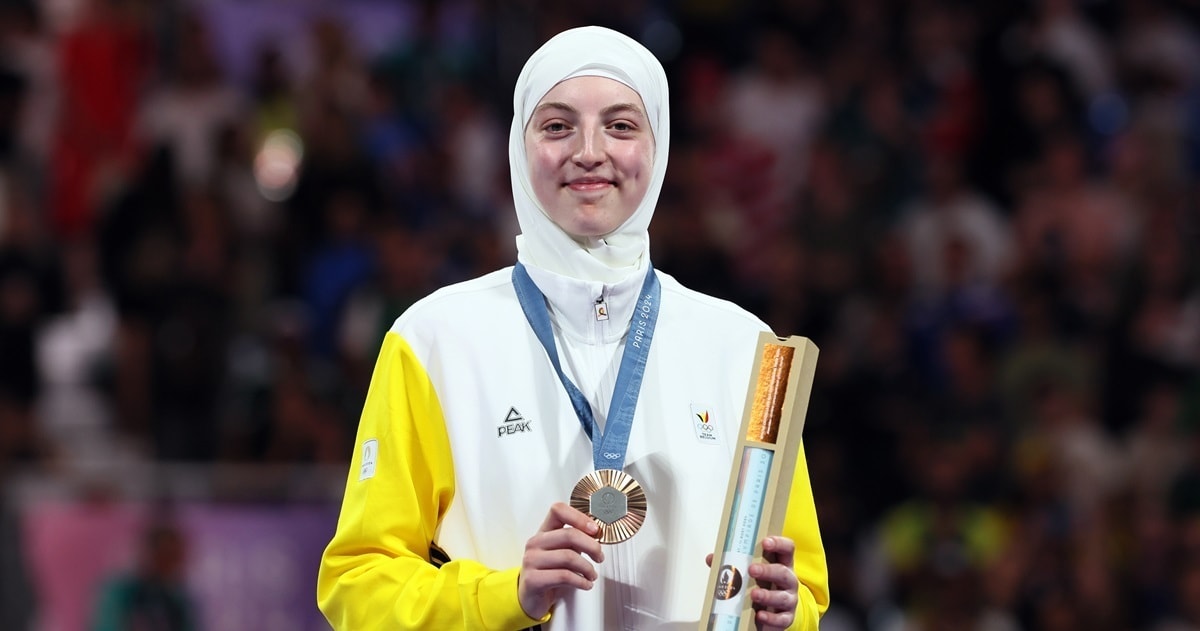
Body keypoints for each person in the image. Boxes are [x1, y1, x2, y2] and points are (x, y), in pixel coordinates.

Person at [317, 26, 829, 630]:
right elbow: (357, 584)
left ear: (659, 146)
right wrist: (506, 596)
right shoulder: (434, 342)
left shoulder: (746, 349)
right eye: (558, 126)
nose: (589, 151)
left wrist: (785, 613)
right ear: (519, 146)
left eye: (621, 126)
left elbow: (804, 593)